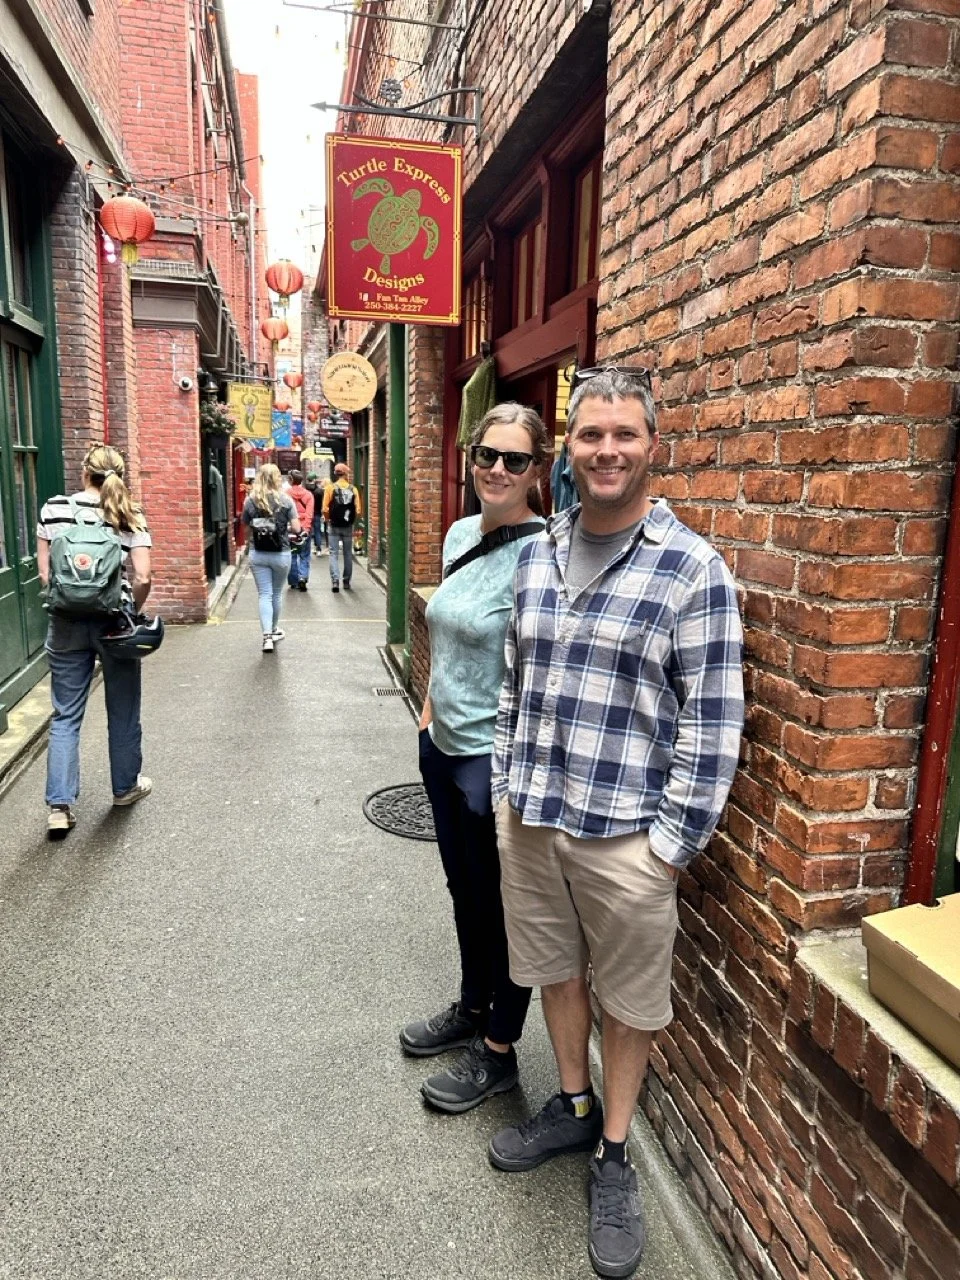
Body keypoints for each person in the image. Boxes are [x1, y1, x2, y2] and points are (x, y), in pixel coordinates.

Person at [488, 367, 744, 1279]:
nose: (606, 451)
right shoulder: (536, 553)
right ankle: (571, 1102)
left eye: (623, 436)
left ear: (651, 445)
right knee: (553, 968)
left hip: (627, 835)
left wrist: (667, 851)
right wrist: (505, 784)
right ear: (569, 447)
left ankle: (617, 1151)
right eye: (591, 435)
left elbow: (714, 725)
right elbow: (516, 681)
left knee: (630, 1005)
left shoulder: (691, 570)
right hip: (533, 815)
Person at [401, 403, 548, 1113]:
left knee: (507, 909)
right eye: (487, 455)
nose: (496, 469)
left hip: (493, 764)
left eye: (514, 460)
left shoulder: (544, 556)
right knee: (465, 895)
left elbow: (542, 673)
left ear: (536, 472)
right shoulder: (462, 533)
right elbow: (451, 632)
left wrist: (505, 766)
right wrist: (429, 710)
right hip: (442, 747)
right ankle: (468, 1004)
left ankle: (499, 1048)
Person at [36, 444, 154, 838]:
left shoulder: (54, 509)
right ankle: (125, 788)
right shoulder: (129, 514)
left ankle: (59, 806)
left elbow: (46, 577)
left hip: (66, 622)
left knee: (65, 714)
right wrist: (130, 613)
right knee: (123, 709)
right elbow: (142, 578)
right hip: (114, 624)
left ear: (84, 472)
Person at [241, 464, 302, 654]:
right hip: (281, 553)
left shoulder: (250, 501)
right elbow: (297, 528)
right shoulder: (286, 500)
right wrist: (282, 528)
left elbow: (245, 529)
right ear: (277, 479)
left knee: (264, 595)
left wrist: (259, 529)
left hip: (258, 553)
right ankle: (274, 630)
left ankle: (266, 636)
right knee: (276, 594)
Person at [322, 463, 362, 592]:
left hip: (333, 525)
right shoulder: (353, 489)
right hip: (347, 525)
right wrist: (350, 520)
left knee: (333, 553)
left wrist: (328, 518)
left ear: (336, 474)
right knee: (347, 553)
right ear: (345, 474)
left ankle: (335, 581)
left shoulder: (330, 488)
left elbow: (325, 508)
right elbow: (358, 509)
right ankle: (346, 581)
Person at [285, 470, 314, 591]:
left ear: (291, 480)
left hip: (291, 528)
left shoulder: (285, 494)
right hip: (303, 528)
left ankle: (293, 581)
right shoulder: (308, 495)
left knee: (292, 554)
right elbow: (309, 514)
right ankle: (303, 577)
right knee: (304, 555)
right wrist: (306, 529)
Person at [305, 473, 328, 556]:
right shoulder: (319, 491)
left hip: (306, 514)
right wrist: (323, 514)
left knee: (307, 531)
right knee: (317, 531)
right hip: (317, 513)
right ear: (314, 480)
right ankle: (318, 549)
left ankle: (307, 549)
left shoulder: (304, 490)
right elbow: (323, 504)